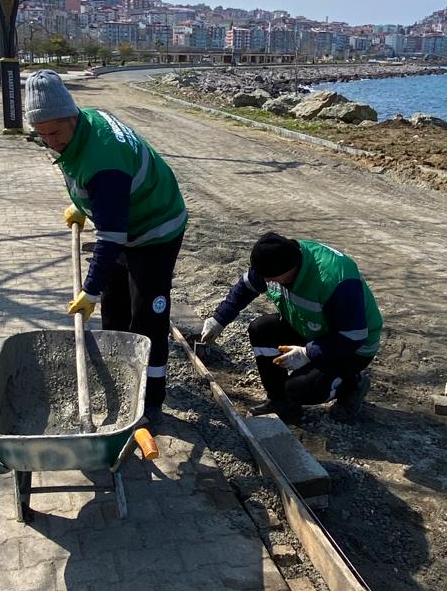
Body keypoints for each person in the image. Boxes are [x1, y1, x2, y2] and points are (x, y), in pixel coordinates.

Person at [24, 70, 187, 421]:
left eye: (55, 132)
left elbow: (112, 233)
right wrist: (84, 206)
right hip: (125, 220)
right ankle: (120, 377)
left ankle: (152, 403)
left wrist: (89, 290)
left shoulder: (104, 157)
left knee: (147, 318)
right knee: (114, 309)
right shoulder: (80, 127)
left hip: (156, 227)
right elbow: (90, 183)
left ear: (72, 116)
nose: (51, 141)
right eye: (42, 134)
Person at [201, 232, 382, 423]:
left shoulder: (334, 279)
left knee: (301, 389)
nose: (267, 282)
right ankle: (280, 402)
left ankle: (352, 384)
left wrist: (308, 353)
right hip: (311, 327)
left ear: (291, 269)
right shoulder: (275, 259)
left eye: (271, 278)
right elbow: (246, 288)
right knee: (261, 329)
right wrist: (219, 319)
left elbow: (353, 335)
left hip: (352, 347)